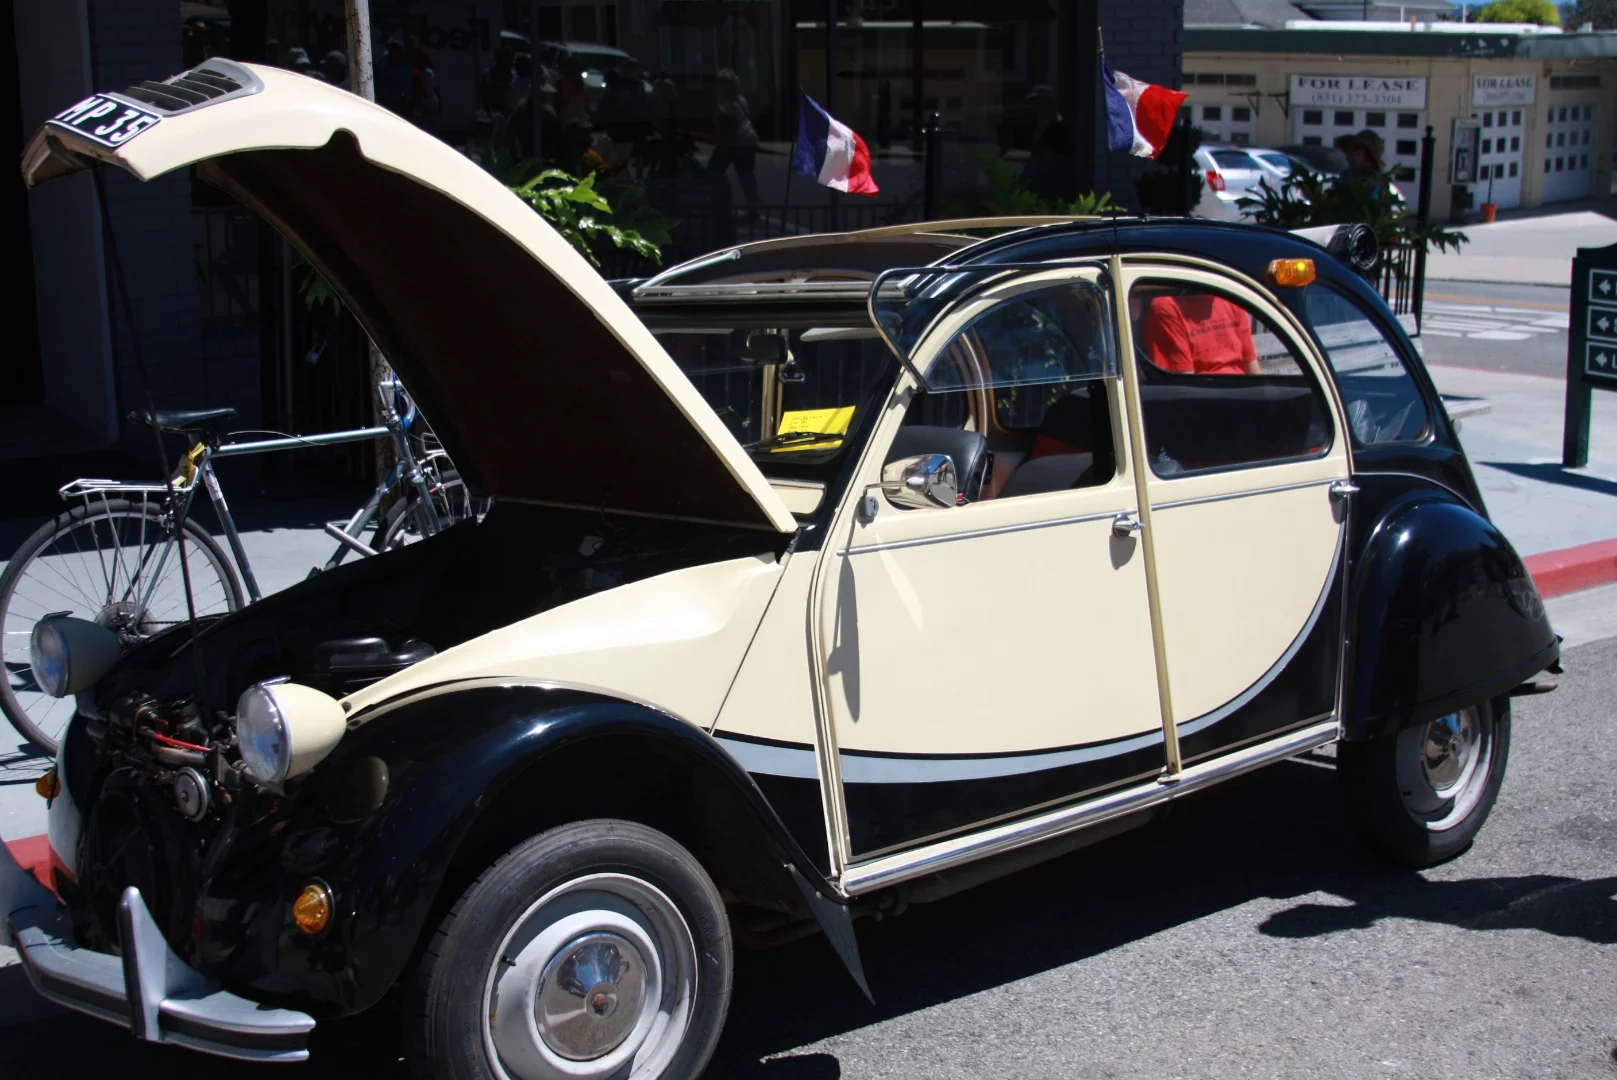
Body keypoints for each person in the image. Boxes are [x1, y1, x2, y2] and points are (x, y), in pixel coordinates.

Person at [1141, 293, 1260, 376]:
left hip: (1242, 398)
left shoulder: (1230, 297)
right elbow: (1185, 386)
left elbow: (1251, 365)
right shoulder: (1168, 307)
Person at [710, 68, 760, 214]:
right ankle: (754, 207)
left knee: (713, 172)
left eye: (719, 84)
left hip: (736, 142)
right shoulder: (740, 99)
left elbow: (726, 127)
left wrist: (722, 147)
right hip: (748, 140)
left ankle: (718, 206)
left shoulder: (725, 103)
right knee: (746, 175)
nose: (716, 87)